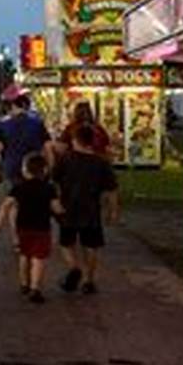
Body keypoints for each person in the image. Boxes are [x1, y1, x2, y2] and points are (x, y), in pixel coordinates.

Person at [52, 124, 120, 295]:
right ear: (91, 141)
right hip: (91, 210)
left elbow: (53, 180)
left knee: (66, 243)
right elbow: (111, 189)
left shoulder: (65, 159)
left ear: (75, 141)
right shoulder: (101, 163)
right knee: (91, 245)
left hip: (68, 208)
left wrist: (55, 200)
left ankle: (74, 267)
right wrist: (113, 211)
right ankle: (89, 280)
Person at [0, 153, 62, 304]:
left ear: (24, 170)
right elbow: (57, 208)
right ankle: (35, 288)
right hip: (42, 228)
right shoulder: (49, 188)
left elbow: (6, 205)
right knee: (38, 258)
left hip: (23, 228)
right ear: (44, 170)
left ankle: (24, 284)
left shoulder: (18, 187)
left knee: (24, 255)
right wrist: (64, 214)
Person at [0, 94, 53, 246]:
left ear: (14, 107)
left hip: (11, 167)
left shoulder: (4, 125)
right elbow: (47, 146)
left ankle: (16, 239)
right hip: (34, 167)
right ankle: (34, 234)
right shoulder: (38, 123)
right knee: (34, 202)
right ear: (27, 106)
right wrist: (50, 166)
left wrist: (0, 162)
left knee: (14, 203)